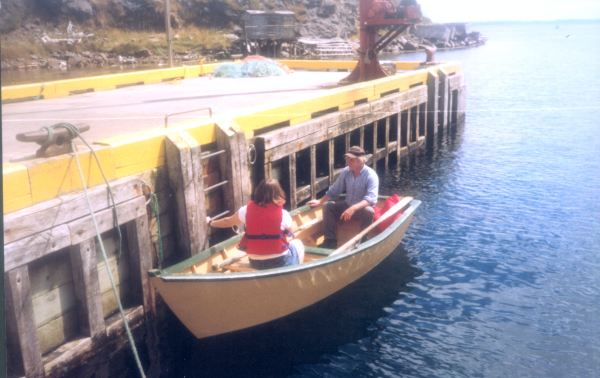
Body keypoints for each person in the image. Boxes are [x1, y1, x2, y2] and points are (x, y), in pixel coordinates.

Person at [207, 178, 304, 269]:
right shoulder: (284, 214)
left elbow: (228, 222)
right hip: (280, 261)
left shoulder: (245, 210)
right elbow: (292, 233)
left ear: (258, 193)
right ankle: (295, 272)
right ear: (279, 194)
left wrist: (211, 223)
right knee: (298, 244)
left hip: (256, 262)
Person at [307, 145, 379, 249]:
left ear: (360, 161)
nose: (348, 162)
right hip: (347, 205)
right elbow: (335, 190)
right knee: (328, 206)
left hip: (361, 209)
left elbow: (371, 198)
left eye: (351, 160)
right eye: (347, 159)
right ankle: (330, 240)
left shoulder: (371, 175)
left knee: (369, 211)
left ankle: (363, 238)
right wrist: (320, 201)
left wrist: (353, 208)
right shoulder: (346, 171)